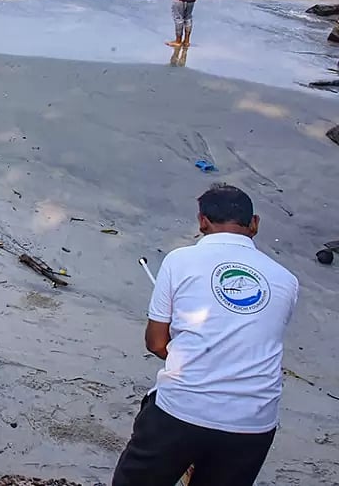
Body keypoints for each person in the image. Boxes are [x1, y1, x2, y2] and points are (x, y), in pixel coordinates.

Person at [111, 184, 298, 486]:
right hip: (254, 423)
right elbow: (256, 337)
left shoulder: (180, 260)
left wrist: (188, 350)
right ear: (254, 224)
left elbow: (156, 343)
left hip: (182, 412)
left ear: (202, 222)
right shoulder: (287, 280)